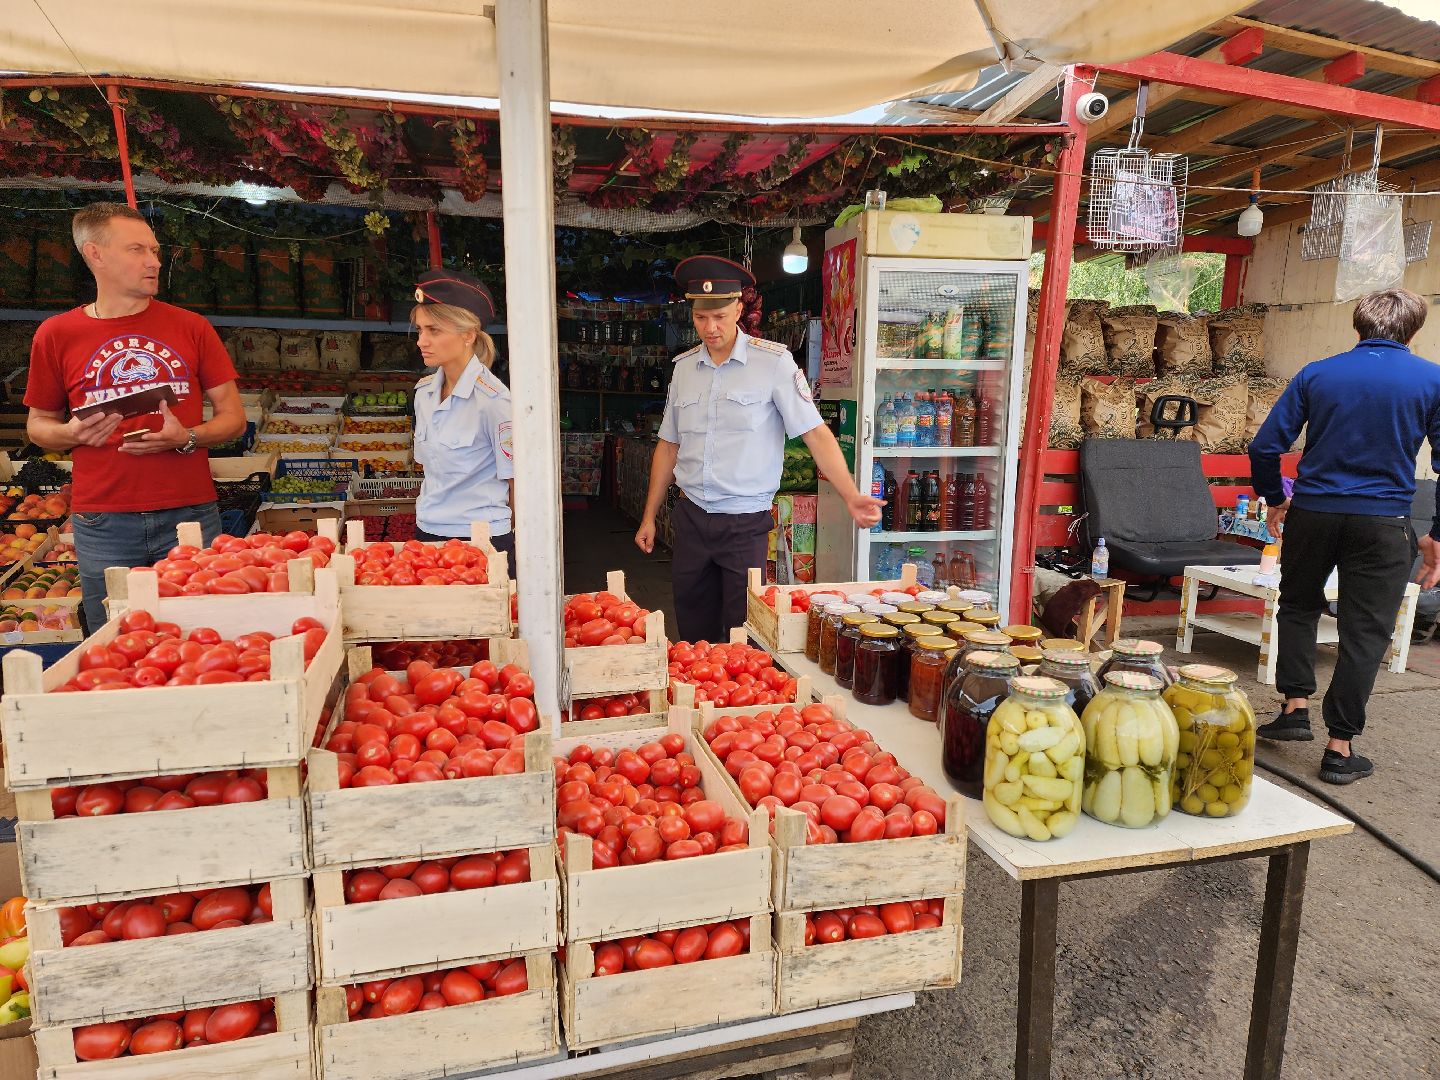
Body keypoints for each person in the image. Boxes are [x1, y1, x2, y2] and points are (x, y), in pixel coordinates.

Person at [635, 255, 882, 643]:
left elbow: (815, 433)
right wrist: (649, 515)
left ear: (738, 307)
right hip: (691, 518)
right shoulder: (683, 368)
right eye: (701, 318)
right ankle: (698, 698)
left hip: (744, 524)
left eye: (719, 315)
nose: (711, 328)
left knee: (741, 630)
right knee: (691, 628)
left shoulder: (774, 363)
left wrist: (850, 495)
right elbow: (668, 446)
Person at [25, 203, 246, 631]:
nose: (154, 261)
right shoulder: (56, 334)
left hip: (190, 512)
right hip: (103, 519)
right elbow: (38, 426)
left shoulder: (193, 327)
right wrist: (71, 432)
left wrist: (186, 437)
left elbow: (233, 419)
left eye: (155, 250)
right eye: (137, 250)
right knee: (113, 634)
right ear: (96, 255)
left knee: (201, 632)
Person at [1250, 287, 1440, 784]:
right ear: (1413, 332)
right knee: (1365, 631)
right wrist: (1437, 533)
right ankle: (1340, 747)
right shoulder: (1432, 380)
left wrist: (1274, 498)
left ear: (1357, 327)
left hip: (1314, 513)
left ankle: (1294, 707)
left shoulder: (1318, 373)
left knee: (1296, 604)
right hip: (1382, 524)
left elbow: (1265, 445)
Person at [410, 269, 516, 571]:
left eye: (434, 331)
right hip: (429, 531)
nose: (422, 341)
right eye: (420, 330)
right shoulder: (424, 394)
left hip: (481, 541)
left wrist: (518, 542)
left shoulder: (494, 401)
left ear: (468, 335)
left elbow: (516, 480)